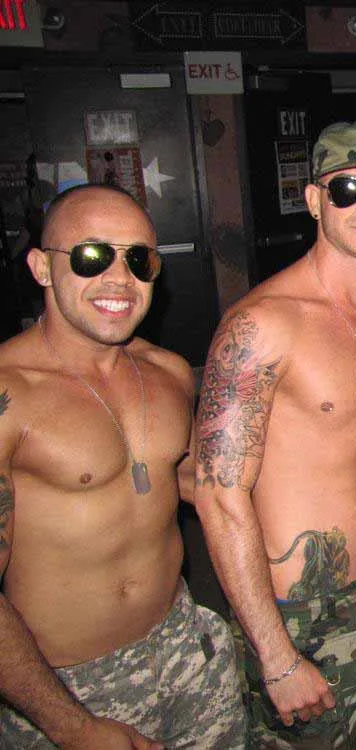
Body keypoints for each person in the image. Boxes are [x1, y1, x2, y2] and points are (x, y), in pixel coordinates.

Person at [193, 119, 356, 749]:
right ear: (313, 200)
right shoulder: (263, 325)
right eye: (347, 188)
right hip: (298, 612)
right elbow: (218, 494)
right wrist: (275, 656)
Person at [0, 184, 245, 749]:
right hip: (65, 684)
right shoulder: (11, 396)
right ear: (41, 267)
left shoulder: (170, 373)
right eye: (91, 256)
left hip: (184, 645)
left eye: (139, 259)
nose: (119, 279)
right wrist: (72, 726)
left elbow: (194, 483)